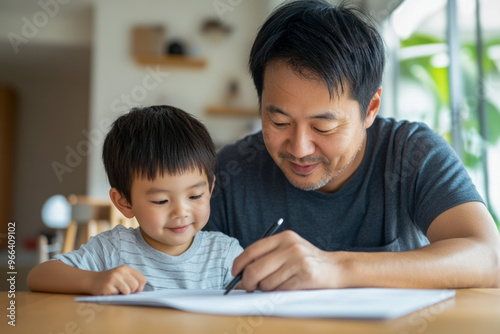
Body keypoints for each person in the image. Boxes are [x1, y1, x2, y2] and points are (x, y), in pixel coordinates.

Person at [207, 0, 500, 291]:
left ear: (370, 109)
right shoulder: (232, 172)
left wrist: (337, 268)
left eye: (324, 127)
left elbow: (489, 259)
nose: (299, 148)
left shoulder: (412, 153)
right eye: (279, 122)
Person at [28, 105, 243, 295]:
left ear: (210, 188)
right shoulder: (113, 249)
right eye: (160, 201)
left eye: (195, 196)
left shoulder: (225, 255)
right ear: (124, 202)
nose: (181, 212)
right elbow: (38, 276)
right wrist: (94, 280)